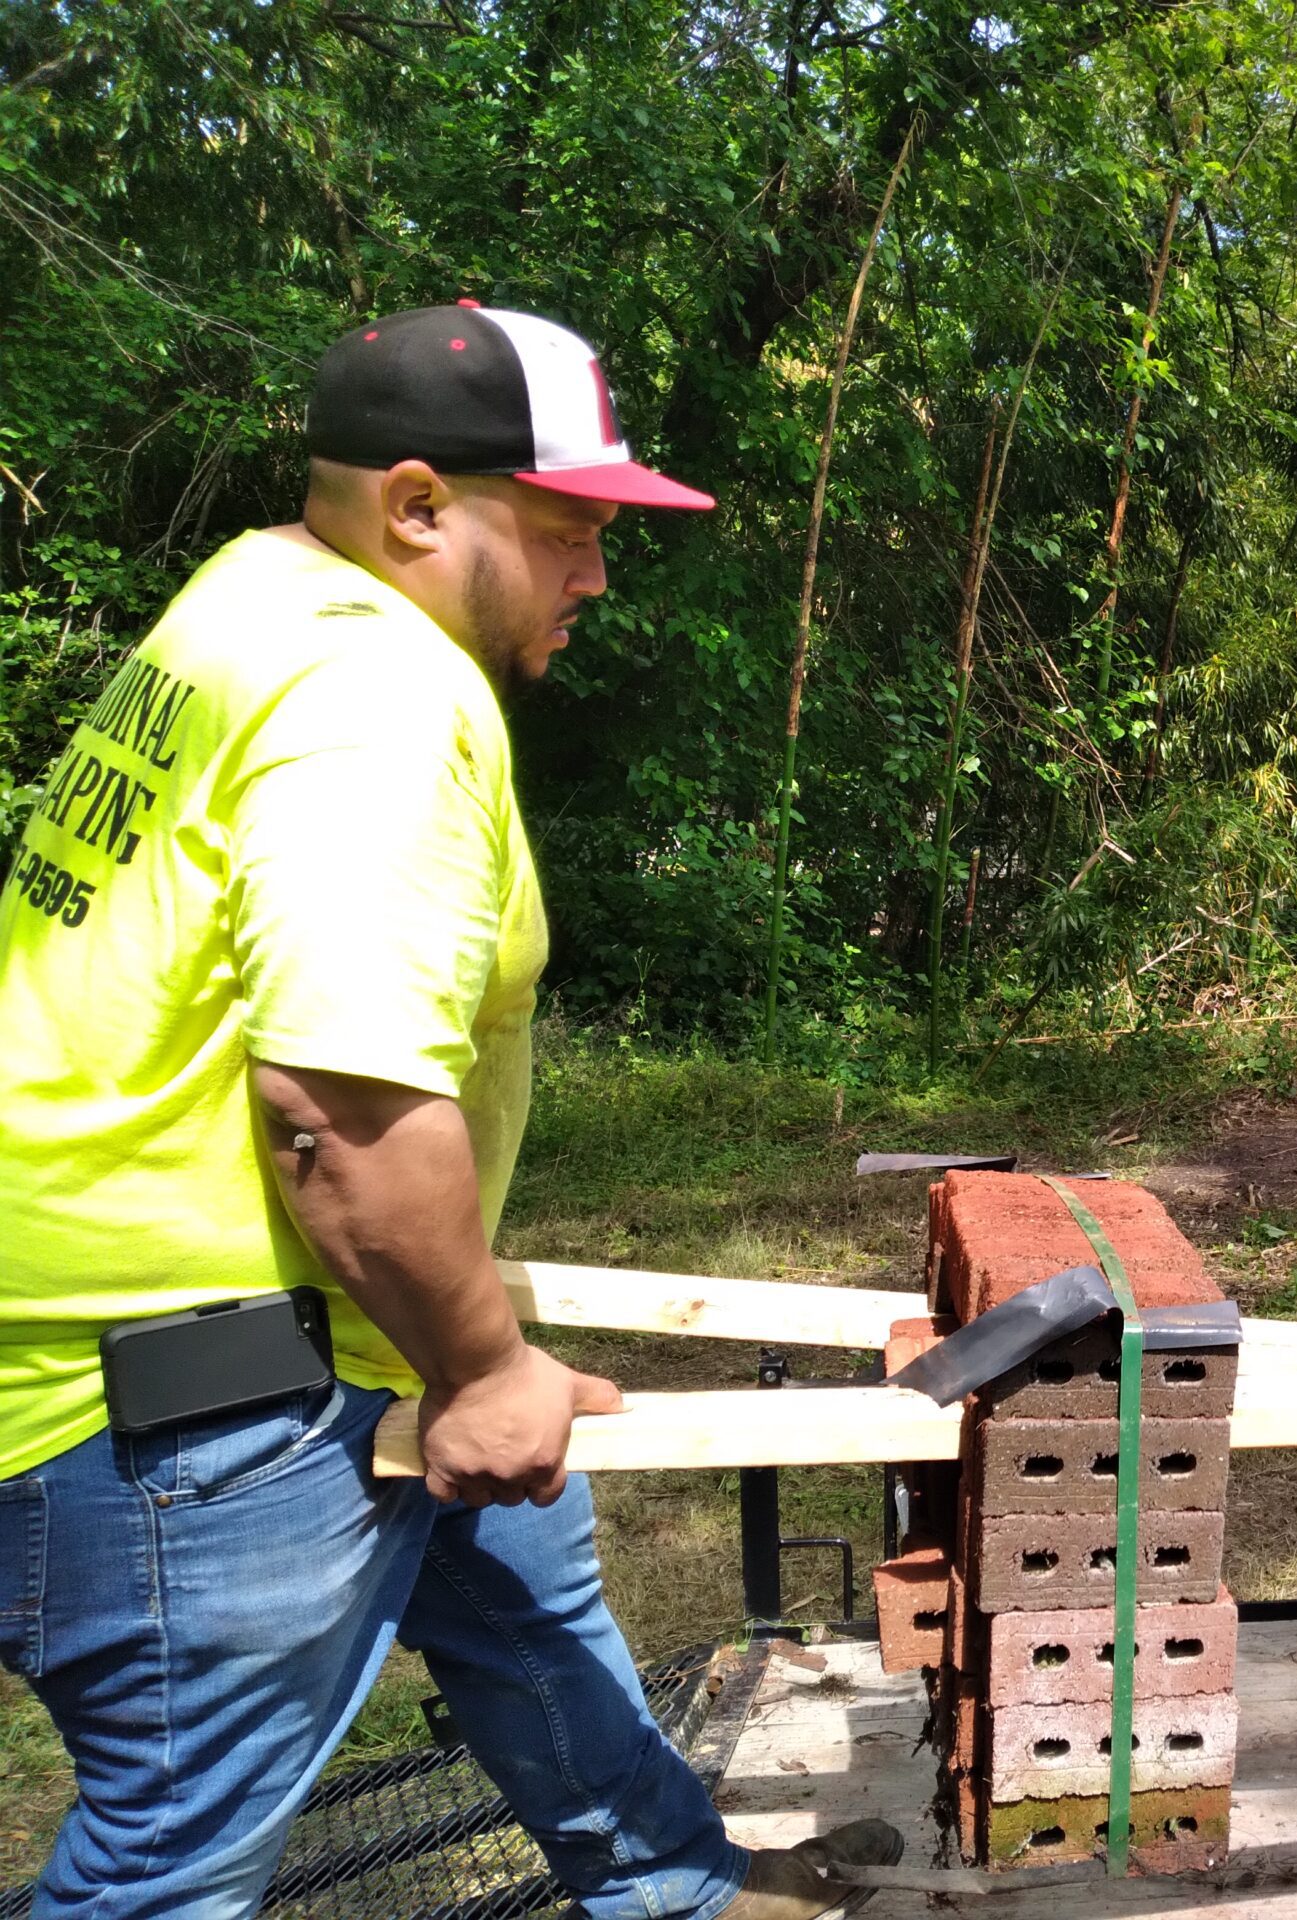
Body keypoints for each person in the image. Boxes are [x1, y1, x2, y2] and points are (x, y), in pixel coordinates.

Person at [0, 305, 894, 1917]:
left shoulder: (250, 599)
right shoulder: (382, 702)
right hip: (197, 1409)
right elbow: (338, 1112)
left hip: (303, 1335)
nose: (598, 578)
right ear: (418, 506)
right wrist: (480, 1367)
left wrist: (476, 1355)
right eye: (568, 532)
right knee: (169, 1872)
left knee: (536, 1599)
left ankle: (675, 1893)